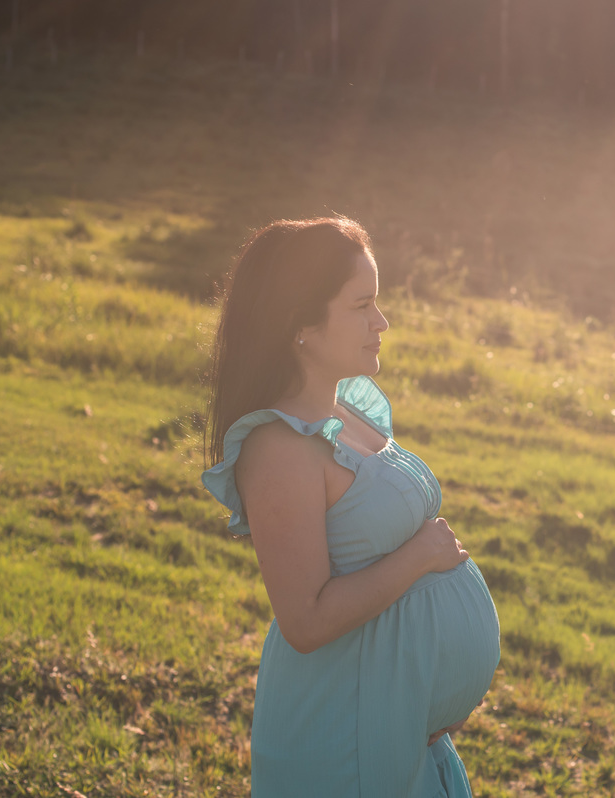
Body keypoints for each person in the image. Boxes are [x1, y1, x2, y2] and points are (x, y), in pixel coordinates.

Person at [201, 216, 500, 797]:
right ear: (301, 326)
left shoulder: (351, 411)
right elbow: (305, 621)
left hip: (399, 722)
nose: (381, 322)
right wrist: (421, 557)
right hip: (344, 732)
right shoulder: (279, 449)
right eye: (362, 305)